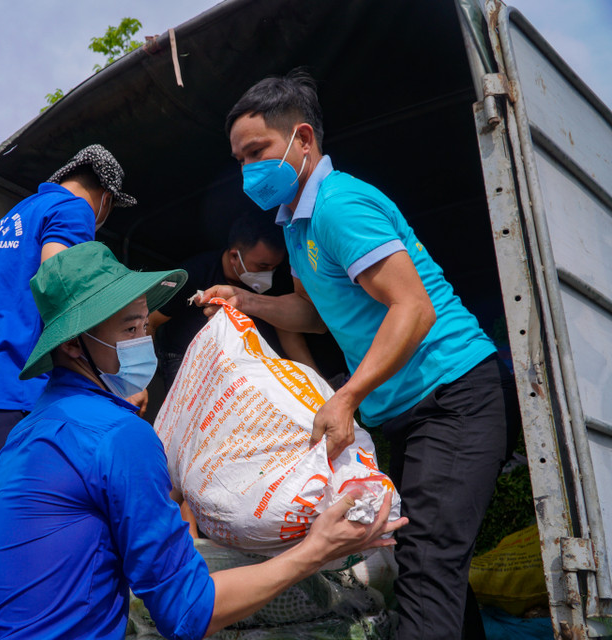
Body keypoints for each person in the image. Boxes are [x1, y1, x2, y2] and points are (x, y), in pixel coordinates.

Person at [204, 69, 520, 639]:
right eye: (240, 159)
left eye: (258, 151)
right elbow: (313, 315)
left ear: (302, 140)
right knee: (428, 556)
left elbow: (414, 309)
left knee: (425, 555)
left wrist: (346, 396)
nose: (248, 170)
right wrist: (246, 301)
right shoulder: (297, 228)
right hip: (413, 409)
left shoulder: (338, 206)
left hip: (454, 393)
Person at [0, 241, 406, 639]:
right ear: (72, 347)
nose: (144, 340)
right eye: (129, 330)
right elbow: (186, 611)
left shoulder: (27, 432)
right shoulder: (117, 436)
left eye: (146, 324)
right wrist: (317, 549)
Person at [0, 143, 135, 639]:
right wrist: (109, 382)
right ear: (104, 196)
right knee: (37, 547)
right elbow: (62, 281)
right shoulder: (72, 209)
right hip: (8, 397)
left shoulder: (13, 217)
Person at [149, 212, 317, 386]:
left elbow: (288, 331)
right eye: (263, 266)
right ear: (234, 257)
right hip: (185, 358)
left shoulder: (277, 281)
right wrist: (140, 380)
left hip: (243, 360)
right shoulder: (193, 274)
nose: (268, 274)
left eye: (274, 267)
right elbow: (151, 321)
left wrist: (317, 380)